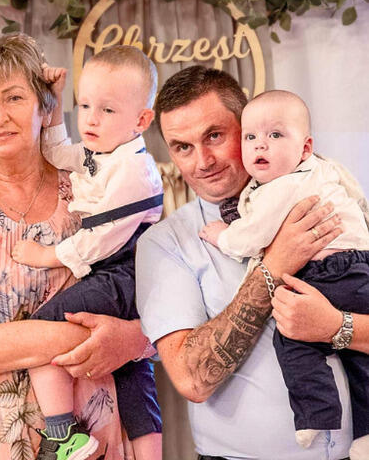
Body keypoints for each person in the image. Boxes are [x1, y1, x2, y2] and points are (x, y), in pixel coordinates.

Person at [0, 34, 154, 460]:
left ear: (45, 108)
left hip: (99, 433)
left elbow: (154, 292)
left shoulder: (95, 192)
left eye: (14, 97)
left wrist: (136, 339)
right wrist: (92, 338)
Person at [135, 65, 366, 460]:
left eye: (214, 136)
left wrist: (336, 326)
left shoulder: (333, 194)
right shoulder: (165, 244)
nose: (203, 161)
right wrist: (275, 264)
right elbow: (192, 379)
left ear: (246, 128)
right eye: (182, 147)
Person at [198, 90, 369, 456]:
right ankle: (366, 434)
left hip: (326, 271)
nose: (261, 144)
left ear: (305, 148)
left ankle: (317, 414)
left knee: (292, 338)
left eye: (275, 135)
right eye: (251, 136)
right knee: (360, 358)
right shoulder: (324, 170)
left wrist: (223, 235)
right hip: (358, 267)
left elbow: (252, 235)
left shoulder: (283, 185)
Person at [11, 46, 163, 457]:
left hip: (124, 270)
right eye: (85, 105)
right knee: (133, 371)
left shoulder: (134, 169)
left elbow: (102, 237)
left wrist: (47, 255)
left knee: (41, 332)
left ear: (141, 121)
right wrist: (57, 102)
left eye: (107, 110)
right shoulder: (102, 152)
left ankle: (63, 434)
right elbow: (58, 153)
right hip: (123, 271)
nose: (91, 119)